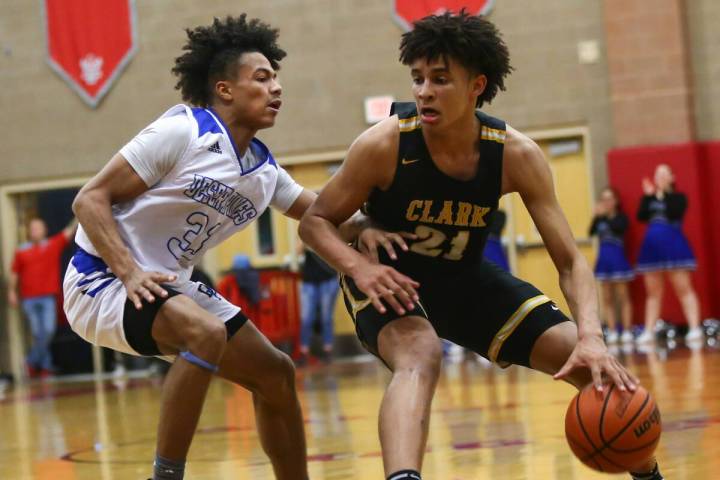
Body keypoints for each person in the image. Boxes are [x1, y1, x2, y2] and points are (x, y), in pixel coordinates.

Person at [299, 11, 661, 480]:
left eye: (441, 79)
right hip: (390, 277)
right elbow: (315, 222)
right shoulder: (385, 143)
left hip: (464, 278)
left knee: (586, 358)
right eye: (418, 78)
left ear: (477, 85)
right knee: (420, 353)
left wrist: (593, 336)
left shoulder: (515, 154)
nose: (424, 90)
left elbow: (570, 261)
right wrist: (357, 267)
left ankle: (648, 472)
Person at [62, 15, 400, 480]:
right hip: (100, 277)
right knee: (206, 334)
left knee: (276, 374)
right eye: (262, 78)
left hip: (167, 285)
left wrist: (371, 224)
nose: (276, 88)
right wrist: (130, 272)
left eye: (276, 78)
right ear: (224, 90)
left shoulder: (264, 174)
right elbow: (90, 199)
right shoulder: (183, 130)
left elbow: (324, 215)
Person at [635, 164, 703, 345]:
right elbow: (641, 216)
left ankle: (695, 328)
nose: (660, 177)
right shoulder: (649, 198)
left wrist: (662, 193)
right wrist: (649, 196)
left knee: (683, 289)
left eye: (664, 174)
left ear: (672, 177)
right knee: (653, 293)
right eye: (657, 174)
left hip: (674, 246)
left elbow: (675, 212)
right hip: (651, 249)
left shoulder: (678, 197)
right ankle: (649, 331)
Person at [8, 217, 77, 377]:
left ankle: (31, 362)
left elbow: (69, 231)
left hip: (48, 298)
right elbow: (14, 272)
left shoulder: (53, 245)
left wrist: (79, 214)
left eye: (38, 228)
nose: (35, 231)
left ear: (44, 230)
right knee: (38, 333)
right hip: (29, 299)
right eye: (32, 228)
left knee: (47, 330)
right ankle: (46, 367)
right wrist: (11, 291)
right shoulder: (21, 251)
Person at [589, 187, 634, 344]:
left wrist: (604, 217)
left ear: (615, 201)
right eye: (603, 199)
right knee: (607, 297)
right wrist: (596, 217)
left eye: (609, 199)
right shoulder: (600, 219)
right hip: (603, 259)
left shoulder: (621, 218)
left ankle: (627, 330)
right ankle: (613, 330)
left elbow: (618, 228)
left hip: (618, 258)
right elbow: (591, 232)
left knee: (623, 296)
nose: (606, 202)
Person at [297, 241, 339, 364]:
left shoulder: (328, 229)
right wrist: (305, 238)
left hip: (329, 279)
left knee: (326, 317)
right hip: (309, 281)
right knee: (306, 318)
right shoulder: (306, 229)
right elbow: (298, 251)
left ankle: (328, 351)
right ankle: (304, 353)